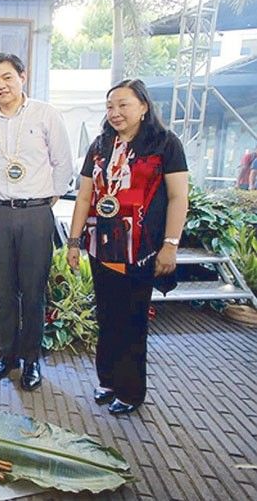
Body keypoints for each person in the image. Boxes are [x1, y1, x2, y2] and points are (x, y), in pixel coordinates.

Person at [67, 79, 189, 415]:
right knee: (107, 315)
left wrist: (171, 245)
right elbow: (84, 195)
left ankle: (131, 390)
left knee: (133, 319)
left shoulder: (164, 144)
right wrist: (75, 241)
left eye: (123, 105)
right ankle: (107, 381)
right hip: (102, 244)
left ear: (144, 107)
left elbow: (179, 197)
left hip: (143, 247)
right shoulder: (100, 145)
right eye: (110, 106)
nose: (115, 112)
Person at [0, 53, 72, 391]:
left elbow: (62, 164)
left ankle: (31, 360)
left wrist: (45, 201)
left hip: (36, 213)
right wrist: (2, 198)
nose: (0, 85)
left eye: (6, 78)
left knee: (32, 290)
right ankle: (6, 356)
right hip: (0, 212)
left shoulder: (46, 115)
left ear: (22, 77)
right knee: (4, 289)